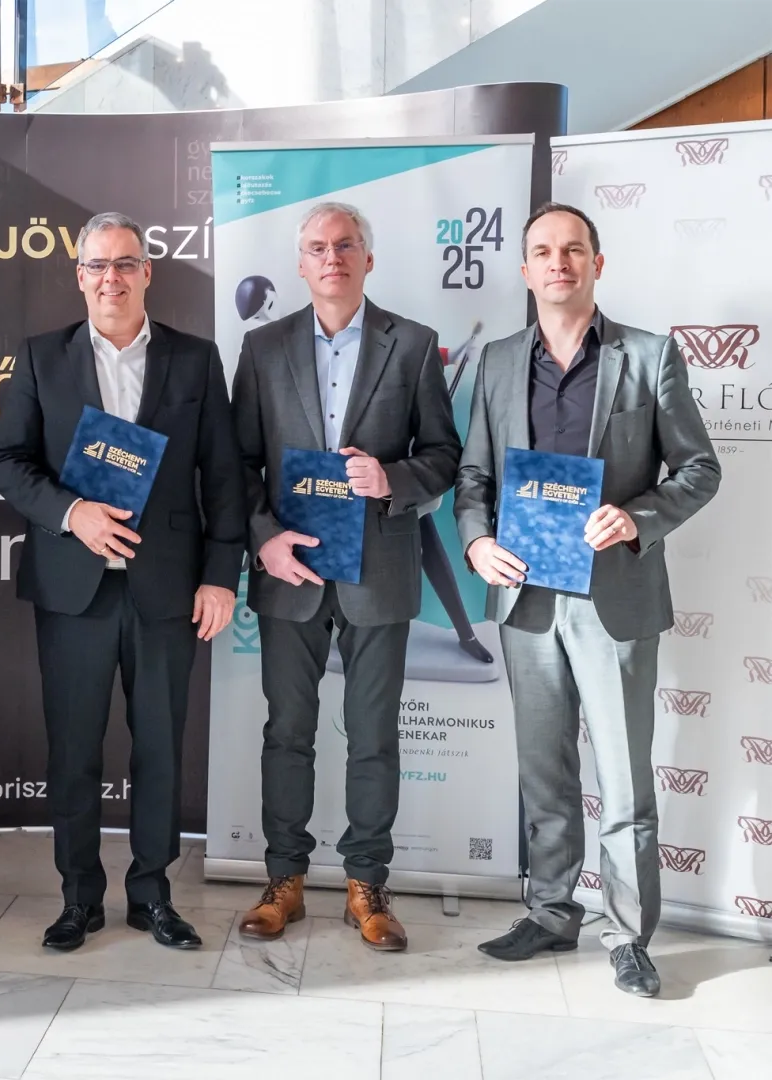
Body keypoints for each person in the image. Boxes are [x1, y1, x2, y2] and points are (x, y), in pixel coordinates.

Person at [456, 203, 720, 997]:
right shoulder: (500, 361)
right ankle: (549, 912)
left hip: (615, 598)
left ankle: (630, 936)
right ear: (527, 269)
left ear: (597, 264)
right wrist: (475, 542)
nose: (558, 262)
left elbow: (699, 469)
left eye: (573, 249)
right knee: (544, 771)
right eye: (543, 251)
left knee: (627, 780)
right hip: (526, 596)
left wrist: (636, 519)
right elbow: (473, 480)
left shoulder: (648, 356)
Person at [0, 211, 244, 952]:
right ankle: (79, 898)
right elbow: (9, 463)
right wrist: (73, 514)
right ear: (79, 276)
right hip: (75, 588)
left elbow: (222, 477)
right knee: (73, 749)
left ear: (147, 273)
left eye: (125, 263)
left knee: (160, 746)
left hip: (167, 588)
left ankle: (152, 895)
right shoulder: (42, 357)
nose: (112, 278)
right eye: (97, 266)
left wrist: (221, 575)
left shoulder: (195, 361)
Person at [230, 202, 461, 952]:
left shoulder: (415, 345)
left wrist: (387, 477)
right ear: (300, 264)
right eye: (317, 248)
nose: (332, 257)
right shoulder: (262, 348)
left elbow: (444, 457)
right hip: (290, 569)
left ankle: (367, 887)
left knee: (373, 737)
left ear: (368, 258)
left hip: (378, 569)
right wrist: (262, 540)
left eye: (346, 245)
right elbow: (236, 464)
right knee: (286, 732)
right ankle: (284, 883)